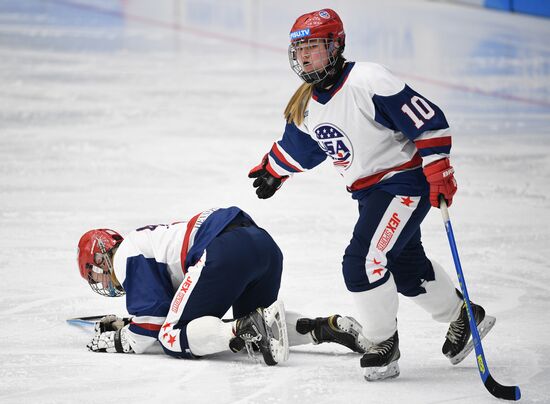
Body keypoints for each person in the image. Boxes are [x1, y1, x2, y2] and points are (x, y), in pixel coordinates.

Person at [248, 9, 495, 379]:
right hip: (370, 195)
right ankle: (463, 316)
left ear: (337, 45)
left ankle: (383, 342)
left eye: (314, 47)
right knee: (405, 267)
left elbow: (427, 121)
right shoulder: (308, 104)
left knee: (362, 262)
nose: (305, 56)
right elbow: (303, 147)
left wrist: (438, 166)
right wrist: (273, 169)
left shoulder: (368, 79)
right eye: (300, 49)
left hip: (403, 183)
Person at [76, 206, 369, 365]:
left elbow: (148, 331)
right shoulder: (143, 244)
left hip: (224, 250)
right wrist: (132, 322)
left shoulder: (126, 255)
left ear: (101, 260)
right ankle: (326, 327)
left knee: (171, 338)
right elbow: (166, 306)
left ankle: (244, 327)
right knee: (261, 328)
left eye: (94, 274)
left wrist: (121, 338)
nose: (100, 281)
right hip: (262, 244)